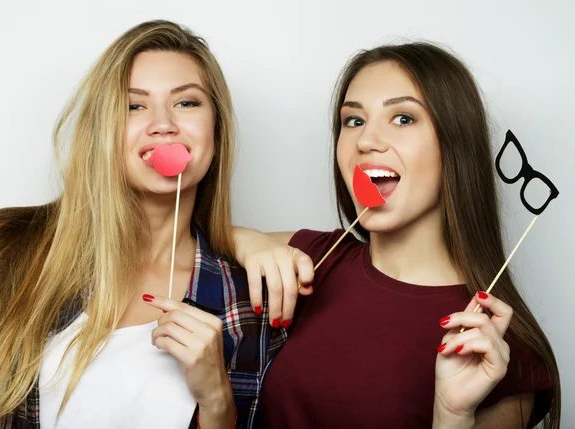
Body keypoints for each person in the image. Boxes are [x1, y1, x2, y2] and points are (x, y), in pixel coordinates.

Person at [0, 20, 285, 429]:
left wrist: (216, 403)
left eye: (187, 103)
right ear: (102, 129)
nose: (163, 123)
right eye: (133, 105)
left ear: (216, 129)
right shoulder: (2, 248)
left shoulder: (251, 301)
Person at [233, 42, 560, 428]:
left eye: (403, 118)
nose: (366, 141)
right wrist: (247, 240)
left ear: (455, 145)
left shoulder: (498, 345)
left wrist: (452, 416)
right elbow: (198, 234)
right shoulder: (317, 258)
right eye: (353, 121)